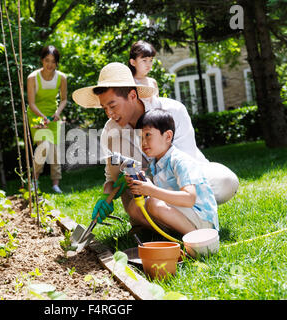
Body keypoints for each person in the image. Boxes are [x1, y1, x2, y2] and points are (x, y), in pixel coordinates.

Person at [72, 62, 238, 227]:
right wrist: (106, 196)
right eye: (104, 108)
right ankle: (159, 224)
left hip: (185, 181)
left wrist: (148, 182)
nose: (109, 113)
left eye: (112, 105)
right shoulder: (110, 132)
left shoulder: (172, 110)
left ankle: (177, 220)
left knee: (226, 181)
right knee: (133, 203)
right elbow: (112, 176)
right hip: (148, 191)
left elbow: (186, 162)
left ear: (132, 95)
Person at [126, 109, 218, 235]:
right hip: (182, 215)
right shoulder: (155, 164)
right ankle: (170, 236)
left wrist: (151, 190)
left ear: (168, 136)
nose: (143, 143)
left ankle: (198, 240)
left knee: (154, 203)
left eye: (147, 135)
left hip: (201, 219)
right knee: (134, 207)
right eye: (140, 137)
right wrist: (141, 182)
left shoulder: (180, 161)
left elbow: (189, 199)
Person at [27, 45, 67, 193]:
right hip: (36, 116)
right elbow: (31, 103)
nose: (50, 64)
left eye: (53, 61)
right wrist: (42, 117)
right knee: (44, 147)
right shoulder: (32, 78)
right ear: (41, 60)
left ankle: (55, 184)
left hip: (53, 116)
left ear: (57, 62)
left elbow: (63, 99)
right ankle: (34, 181)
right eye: (47, 60)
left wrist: (57, 113)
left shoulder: (62, 78)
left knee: (55, 151)